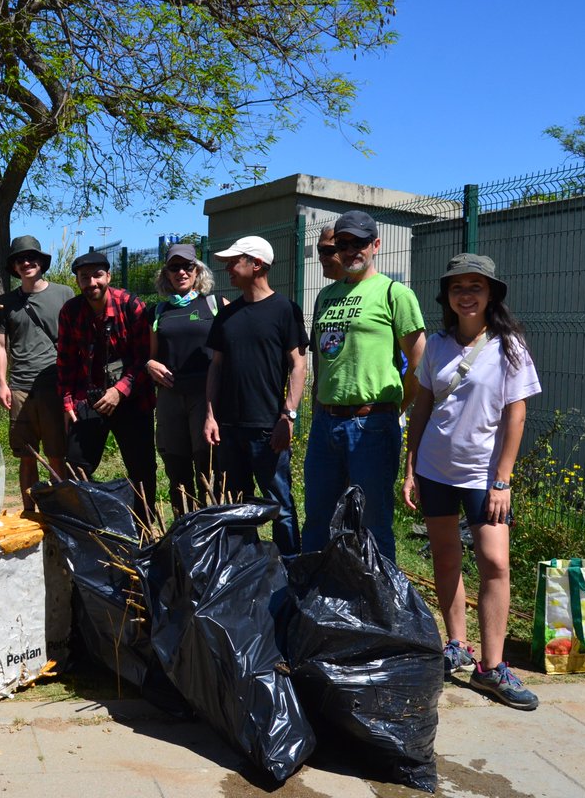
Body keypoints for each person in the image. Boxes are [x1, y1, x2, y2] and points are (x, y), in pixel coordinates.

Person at [403, 254, 540, 711]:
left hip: (484, 476)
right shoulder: (437, 346)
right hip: (434, 470)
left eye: (475, 287)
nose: (466, 295)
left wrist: (503, 480)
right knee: (446, 558)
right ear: (447, 295)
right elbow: (422, 407)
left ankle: (492, 667)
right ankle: (457, 644)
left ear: (491, 294)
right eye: (458, 287)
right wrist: (410, 467)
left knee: (495, 563)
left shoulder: (509, 347)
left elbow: (516, 415)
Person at [304, 210, 425, 563]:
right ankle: (314, 591)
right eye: (342, 244)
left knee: (372, 524)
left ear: (376, 244)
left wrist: (395, 407)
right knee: (318, 519)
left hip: (371, 425)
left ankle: (380, 595)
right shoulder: (326, 296)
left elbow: (421, 364)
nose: (350, 251)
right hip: (325, 424)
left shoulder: (394, 293)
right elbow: (322, 360)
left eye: (359, 243)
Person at [203, 237, 308, 555]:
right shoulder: (227, 314)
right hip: (229, 429)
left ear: (257, 264)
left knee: (280, 506)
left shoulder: (285, 310)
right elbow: (216, 367)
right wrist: (210, 416)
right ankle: (242, 568)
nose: (227, 269)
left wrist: (287, 416)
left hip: (268, 429)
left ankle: (290, 569)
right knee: (235, 506)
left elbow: (298, 365)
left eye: (234, 262)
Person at [56, 251, 156, 523]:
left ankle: (145, 530)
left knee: (142, 470)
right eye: (84, 277)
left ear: (108, 276)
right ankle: (85, 527)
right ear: (77, 281)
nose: (92, 282)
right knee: (76, 466)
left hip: (133, 398)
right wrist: (67, 402)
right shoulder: (70, 311)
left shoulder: (131, 305)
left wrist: (119, 390)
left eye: (97, 275)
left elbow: (144, 359)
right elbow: (65, 360)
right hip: (90, 396)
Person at [0, 235, 74, 511]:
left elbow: (76, 338)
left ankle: (60, 514)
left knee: (57, 455)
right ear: (14, 267)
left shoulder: (64, 294)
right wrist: (2, 383)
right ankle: (29, 513)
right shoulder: (5, 302)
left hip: (55, 385)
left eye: (31, 258)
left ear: (41, 262)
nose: (26, 263)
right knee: (27, 455)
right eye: (20, 259)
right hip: (20, 387)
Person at [146, 243, 225, 514]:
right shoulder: (158, 312)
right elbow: (150, 356)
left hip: (205, 397)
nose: (181, 272)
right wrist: (149, 364)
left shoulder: (215, 305)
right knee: (176, 467)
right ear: (166, 274)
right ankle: (183, 523)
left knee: (208, 466)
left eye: (187, 266)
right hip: (170, 397)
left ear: (197, 270)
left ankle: (210, 523)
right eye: (174, 267)